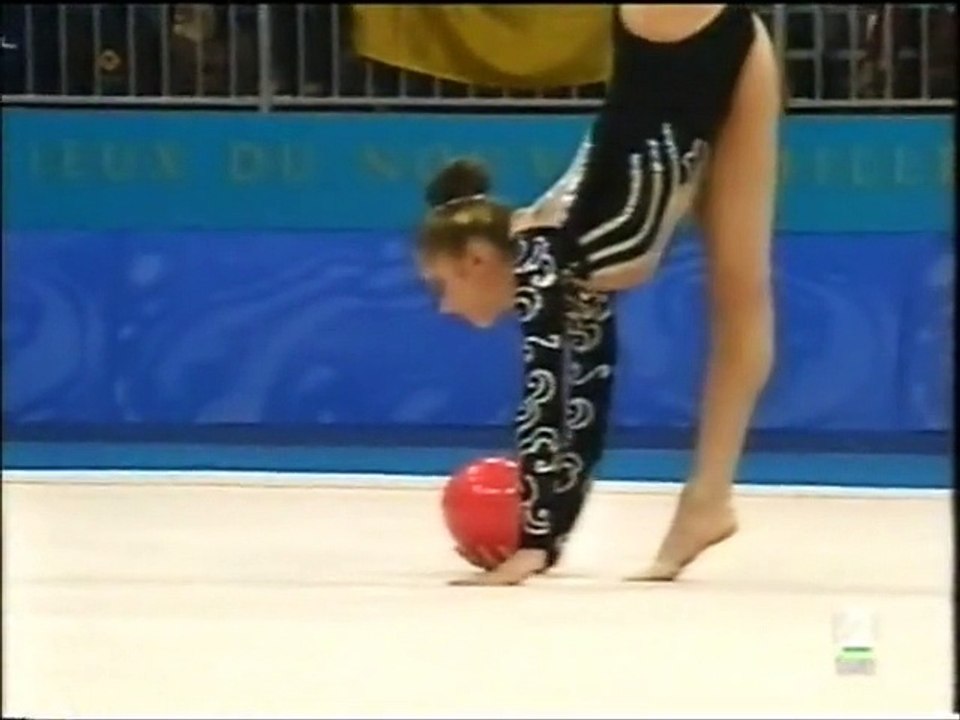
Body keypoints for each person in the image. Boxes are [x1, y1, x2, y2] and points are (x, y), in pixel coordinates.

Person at [417, 4, 780, 586]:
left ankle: (707, 499)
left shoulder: (543, 259)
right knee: (744, 292)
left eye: (442, 284)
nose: (443, 305)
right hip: (722, 45)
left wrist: (534, 543)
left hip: (675, 34)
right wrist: (548, 540)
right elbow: (585, 402)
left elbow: (545, 402)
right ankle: (707, 500)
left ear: (478, 258)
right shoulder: (568, 268)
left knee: (743, 294)